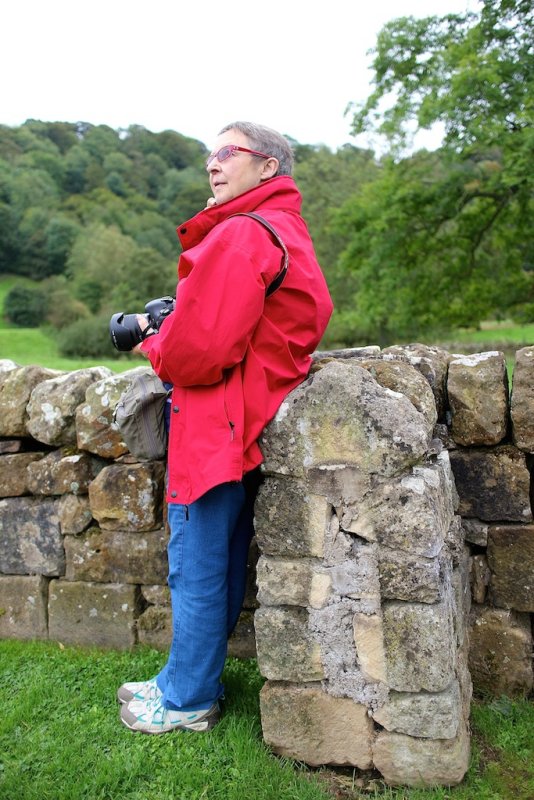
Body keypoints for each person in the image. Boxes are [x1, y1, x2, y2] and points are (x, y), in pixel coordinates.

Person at [117, 121, 333, 734]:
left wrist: (157, 340)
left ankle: (186, 700)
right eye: (210, 154)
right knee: (220, 560)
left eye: (228, 153)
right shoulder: (283, 229)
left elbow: (197, 352)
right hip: (247, 424)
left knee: (196, 566)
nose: (213, 164)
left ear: (268, 168)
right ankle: (183, 678)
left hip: (214, 424)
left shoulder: (241, 235)